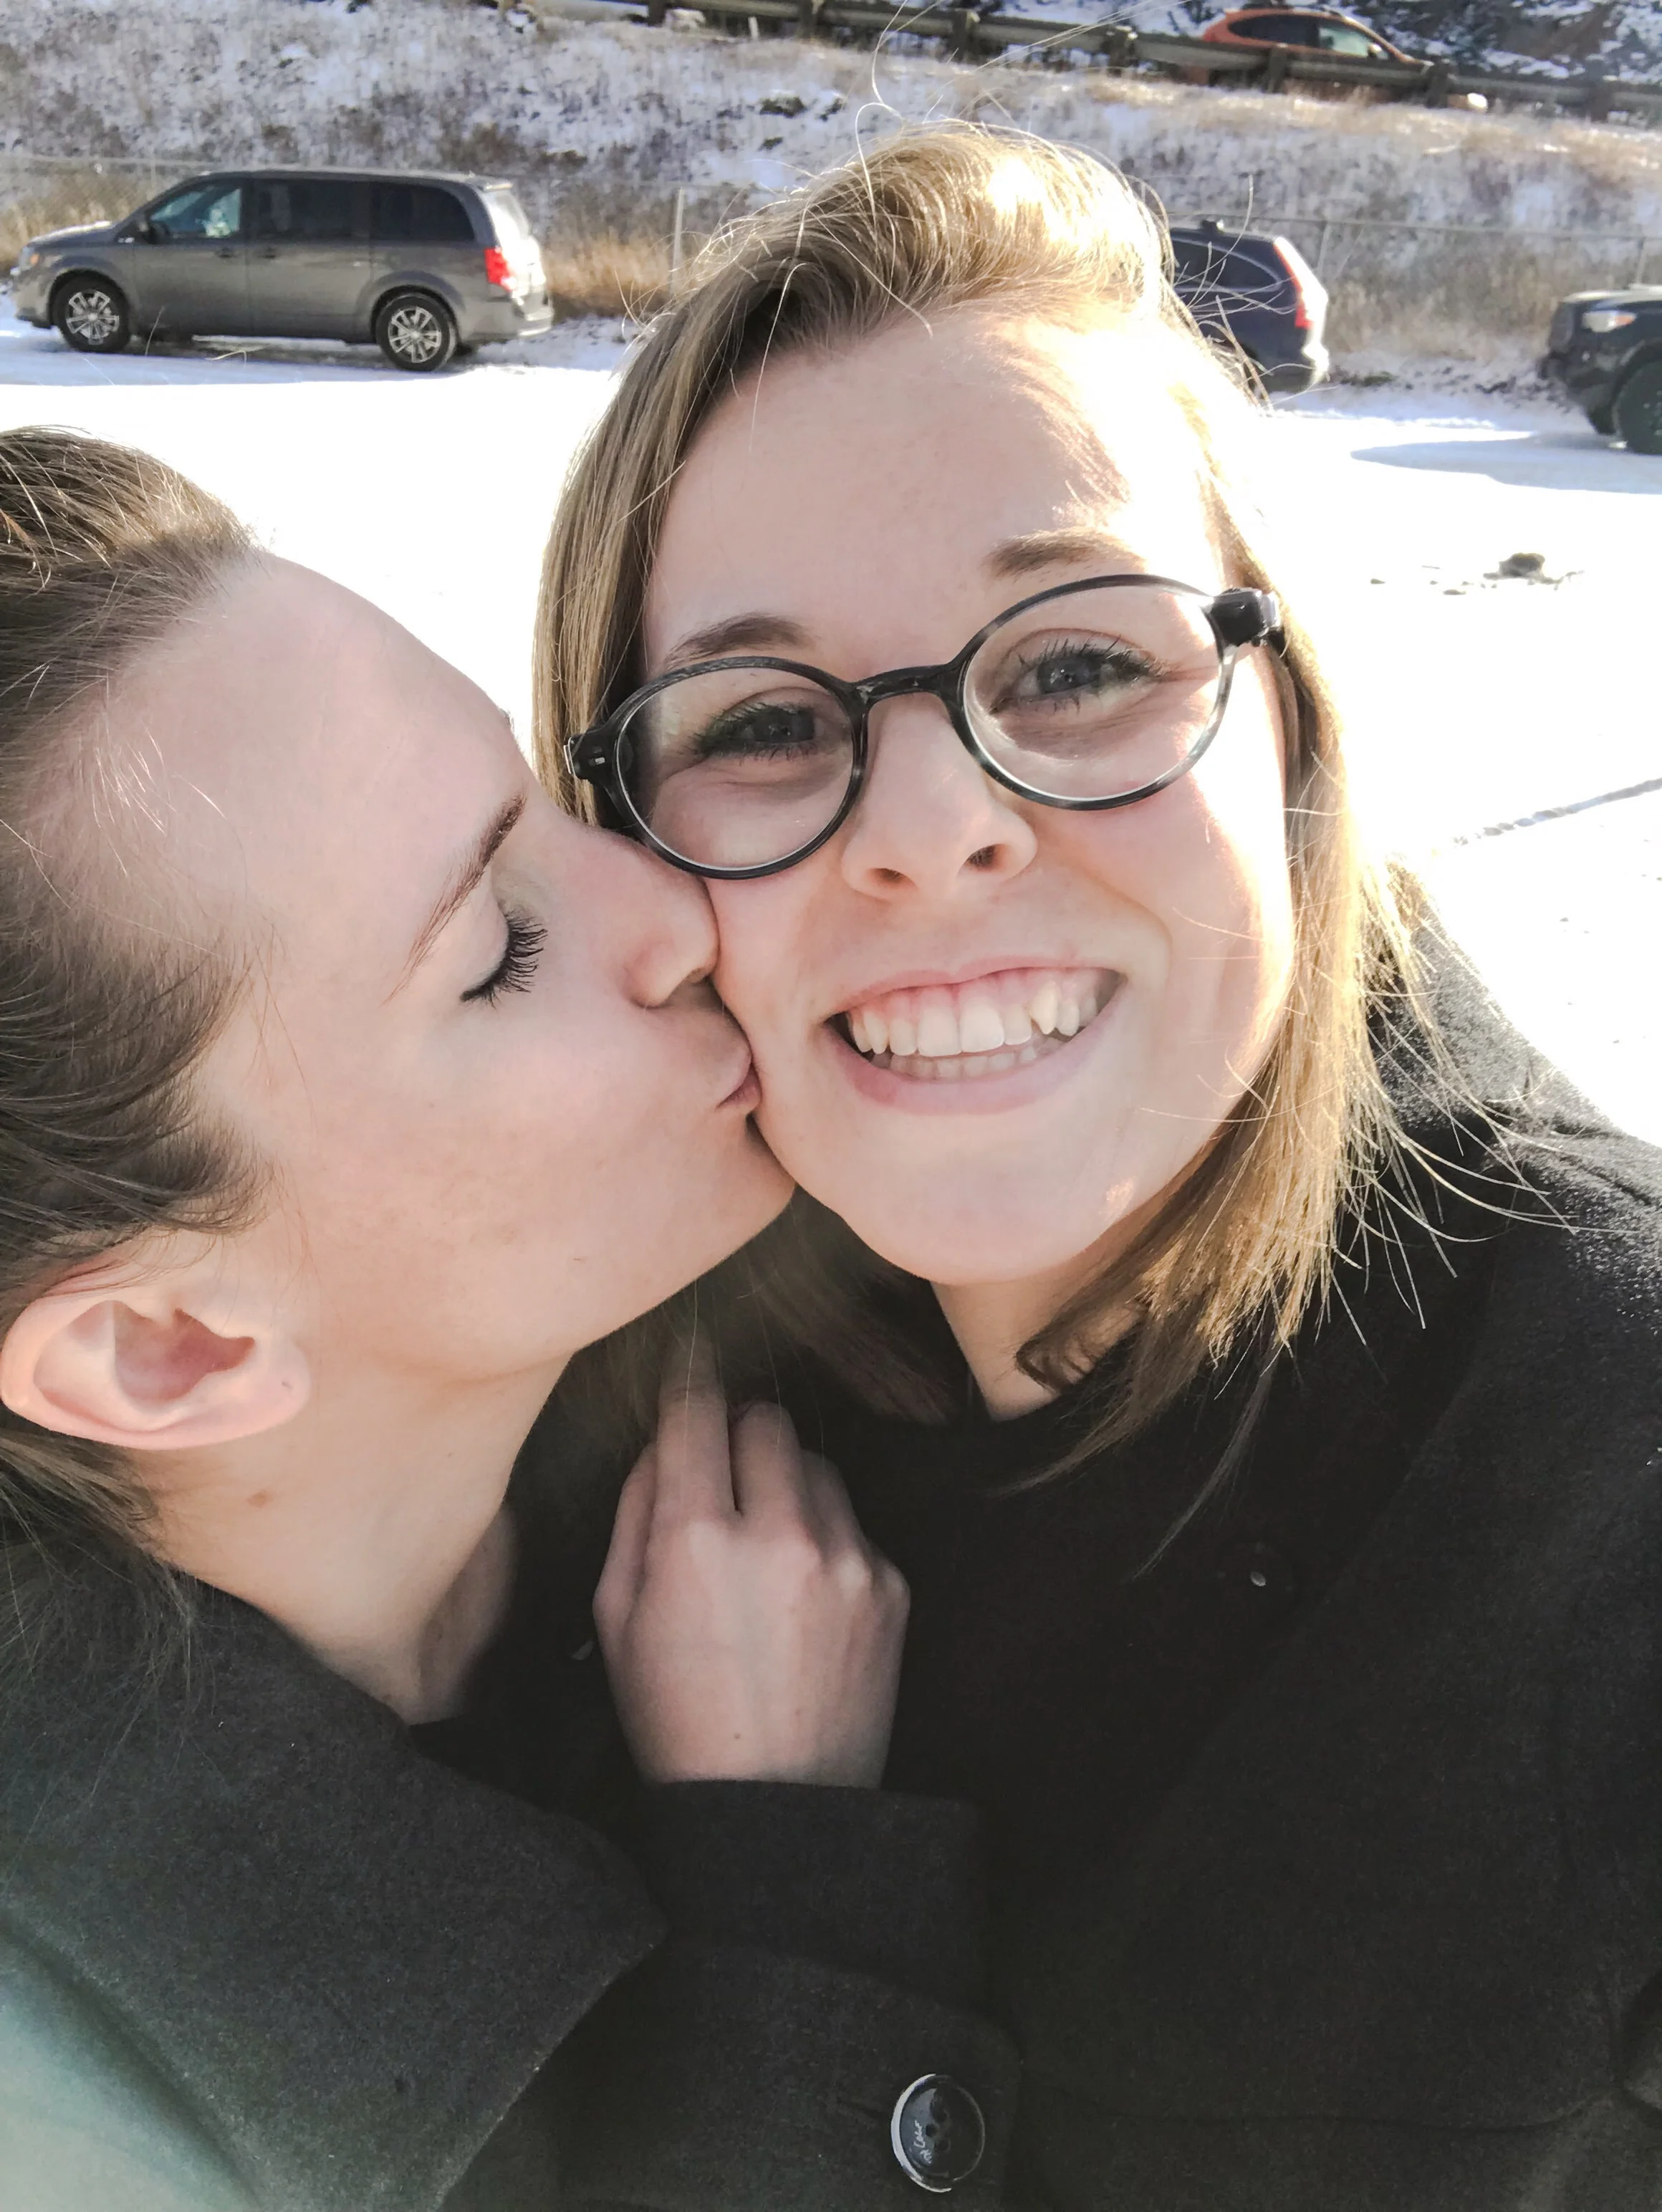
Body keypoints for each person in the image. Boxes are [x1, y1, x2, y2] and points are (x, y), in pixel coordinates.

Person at [537, 126, 1662, 2209]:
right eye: (763, 721)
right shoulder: (588, 1384)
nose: (932, 827)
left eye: (1075, 665)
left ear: (1294, 734)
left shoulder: (1612, 1485)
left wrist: (778, 1888)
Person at [0, 428, 1018, 2211]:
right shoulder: (91, 2124)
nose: (681, 909)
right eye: (497, 950)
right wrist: (784, 1884)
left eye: (549, 799)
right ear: (170, 1345)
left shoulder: (813, 1289)